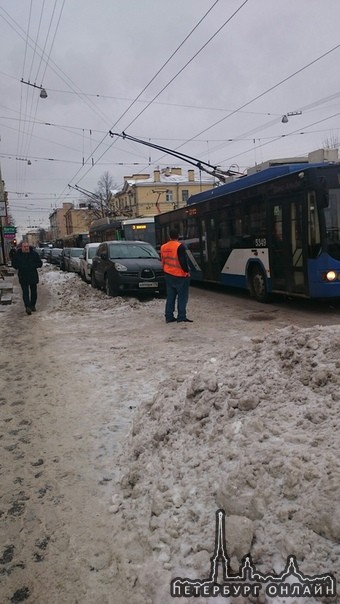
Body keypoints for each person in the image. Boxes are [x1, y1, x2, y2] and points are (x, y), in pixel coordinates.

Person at [160, 227, 193, 323]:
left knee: (170, 297)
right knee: (182, 297)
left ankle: (169, 316)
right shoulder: (179, 246)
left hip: (168, 274)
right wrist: (186, 272)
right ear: (178, 236)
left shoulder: (163, 247)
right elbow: (183, 261)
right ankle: (181, 316)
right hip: (180, 275)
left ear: (169, 236)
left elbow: (163, 261)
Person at [11, 241, 43, 315]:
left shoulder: (34, 254)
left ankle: (32, 305)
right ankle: (27, 307)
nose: (26, 248)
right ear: (21, 247)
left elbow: (40, 263)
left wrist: (33, 265)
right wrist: (20, 266)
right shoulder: (17, 255)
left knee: (33, 292)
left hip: (33, 275)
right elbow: (14, 264)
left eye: (27, 246)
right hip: (23, 275)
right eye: (24, 247)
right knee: (25, 292)